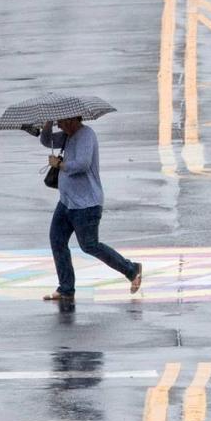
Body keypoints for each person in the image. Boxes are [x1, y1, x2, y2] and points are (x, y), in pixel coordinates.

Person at [37, 116, 142, 301]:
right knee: (57, 240)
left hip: (86, 204)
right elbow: (47, 141)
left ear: (71, 120)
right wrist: (47, 123)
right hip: (66, 202)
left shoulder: (86, 136)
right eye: (57, 123)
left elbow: (83, 164)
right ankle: (66, 288)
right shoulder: (67, 135)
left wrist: (59, 164)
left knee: (89, 245)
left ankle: (131, 269)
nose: (59, 125)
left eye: (60, 122)